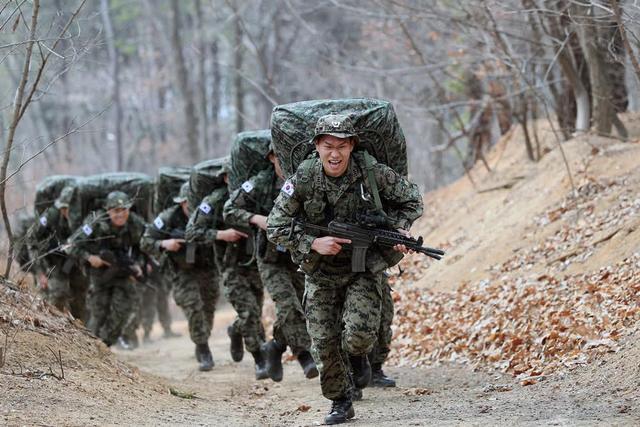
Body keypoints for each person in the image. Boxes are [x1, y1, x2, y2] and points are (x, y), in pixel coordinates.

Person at [267, 114, 423, 425]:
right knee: (323, 341)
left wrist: (401, 231)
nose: (334, 154)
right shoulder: (303, 178)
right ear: (317, 146)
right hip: (320, 270)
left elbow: (412, 200)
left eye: (342, 146)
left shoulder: (371, 172)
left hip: (363, 267)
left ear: (352, 145)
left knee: (360, 336)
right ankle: (340, 401)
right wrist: (314, 242)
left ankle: (357, 355)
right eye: (328, 146)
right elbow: (275, 226)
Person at [223, 144, 318, 382]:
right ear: (271, 157)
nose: (284, 162)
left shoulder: (304, 179)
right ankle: (304, 355)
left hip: (298, 254)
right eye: (279, 157)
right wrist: (256, 219)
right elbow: (229, 210)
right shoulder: (258, 183)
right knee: (288, 305)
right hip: (269, 258)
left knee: (302, 307)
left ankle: (275, 346)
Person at [185, 167, 269, 379]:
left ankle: (236, 330)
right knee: (249, 313)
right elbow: (192, 232)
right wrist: (222, 234)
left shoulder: (255, 193)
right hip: (230, 266)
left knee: (254, 314)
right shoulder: (214, 200)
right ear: (224, 178)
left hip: (256, 264)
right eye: (231, 176)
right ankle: (260, 360)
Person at [141, 183, 226, 371]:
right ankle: (204, 349)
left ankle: (201, 340)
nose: (192, 208)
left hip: (207, 267)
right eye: (189, 204)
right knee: (193, 305)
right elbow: (145, 241)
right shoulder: (168, 217)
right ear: (182, 203)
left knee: (208, 308)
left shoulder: (208, 213)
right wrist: (164, 243)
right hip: (181, 271)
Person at [66, 191, 146, 346]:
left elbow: (144, 246)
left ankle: (104, 346)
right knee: (98, 313)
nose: (121, 214)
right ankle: (89, 349)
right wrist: (90, 257)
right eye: (116, 211)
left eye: (124, 210)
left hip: (123, 271)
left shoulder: (135, 223)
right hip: (99, 273)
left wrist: (138, 265)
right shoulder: (95, 223)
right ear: (108, 210)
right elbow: (70, 245)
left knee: (123, 312)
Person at [31, 186, 88, 322]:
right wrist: (40, 272)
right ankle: (50, 324)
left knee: (81, 295)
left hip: (75, 262)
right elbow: (32, 241)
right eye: (66, 208)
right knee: (58, 294)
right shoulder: (50, 216)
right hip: (52, 262)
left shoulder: (84, 218)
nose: (69, 212)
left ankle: (80, 329)